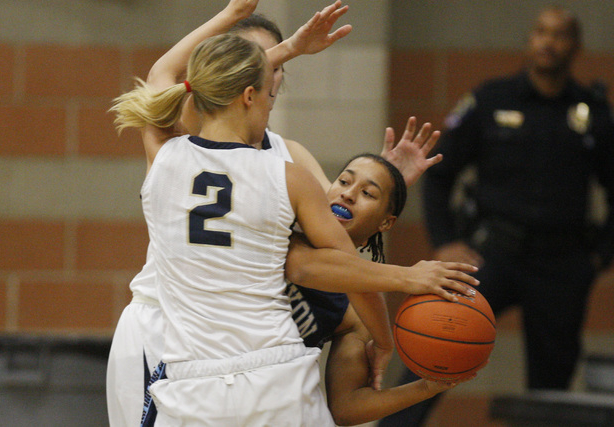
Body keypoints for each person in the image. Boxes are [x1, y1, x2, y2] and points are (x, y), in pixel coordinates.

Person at [106, 1, 479, 425]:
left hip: (189, 377)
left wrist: (230, 12)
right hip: (268, 368)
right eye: (267, 85)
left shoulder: (166, 158)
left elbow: (161, 74)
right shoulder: (287, 176)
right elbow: (341, 265)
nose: (273, 98)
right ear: (250, 93)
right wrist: (394, 315)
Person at [380, 6, 614, 426]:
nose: (548, 42)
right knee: (437, 343)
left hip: (562, 265)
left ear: (575, 46)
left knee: (551, 389)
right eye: (541, 32)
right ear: (530, 40)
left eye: (560, 35)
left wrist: (599, 258)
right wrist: (446, 241)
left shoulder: (592, 112)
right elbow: (440, 174)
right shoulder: (491, 99)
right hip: (493, 253)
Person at [286, 153, 483, 426]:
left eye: (367, 193)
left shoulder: (360, 312)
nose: (348, 194)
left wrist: (427, 387)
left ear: (386, 223)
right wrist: (409, 276)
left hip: (275, 399)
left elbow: (345, 407)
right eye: (343, 181)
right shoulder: (284, 224)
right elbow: (301, 266)